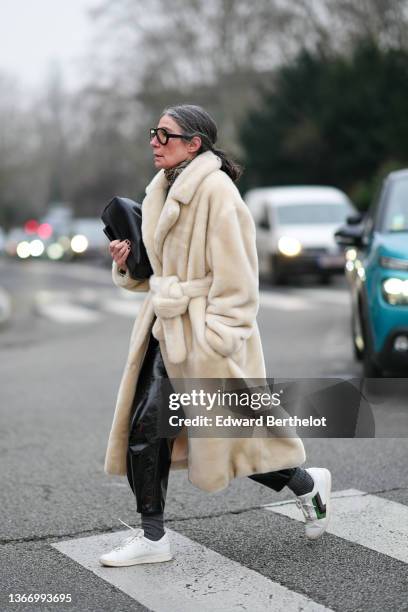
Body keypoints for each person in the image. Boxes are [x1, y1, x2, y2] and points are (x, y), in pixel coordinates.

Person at [100, 104, 332, 567]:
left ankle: (306, 485)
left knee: (231, 438)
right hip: (165, 330)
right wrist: (126, 262)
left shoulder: (217, 193)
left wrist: (217, 339)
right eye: (154, 133)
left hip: (203, 339)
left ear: (194, 143)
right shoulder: (159, 191)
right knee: (146, 430)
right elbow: (156, 275)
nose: (154, 141)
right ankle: (152, 536)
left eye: (164, 134)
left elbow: (240, 281)